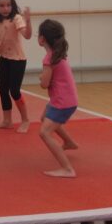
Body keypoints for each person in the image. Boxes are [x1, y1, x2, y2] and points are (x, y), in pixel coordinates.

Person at [0, 0, 32, 133]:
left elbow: (27, 35)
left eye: (8, 5)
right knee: (2, 90)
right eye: (2, 6)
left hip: (18, 59)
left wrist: (28, 21)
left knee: (14, 91)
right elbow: (2, 34)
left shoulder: (16, 18)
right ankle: (7, 120)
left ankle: (25, 120)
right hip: (4, 58)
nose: (6, 9)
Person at [38, 19, 79, 178]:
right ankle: (69, 142)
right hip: (65, 99)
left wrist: (41, 77)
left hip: (62, 102)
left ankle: (67, 169)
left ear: (42, 39)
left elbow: (44, 84)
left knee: (44, 133)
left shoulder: (49, 59)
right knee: (45, 118)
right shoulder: (59, 55)